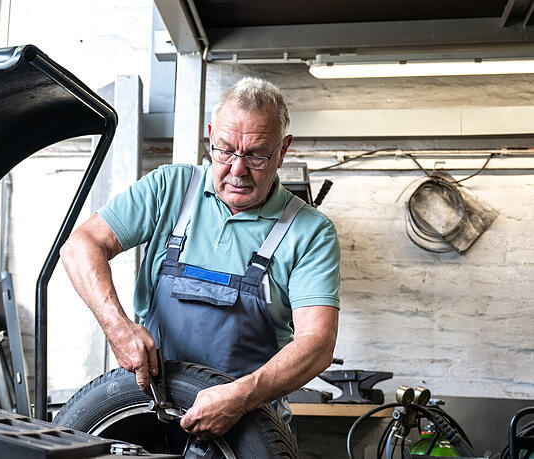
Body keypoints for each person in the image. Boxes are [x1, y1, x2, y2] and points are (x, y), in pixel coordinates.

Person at [60, 77, 340, 440]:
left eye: (256, 154)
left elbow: (317, 344)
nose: (237, 169)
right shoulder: (171, 189)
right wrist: (118, 327)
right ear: (210, 137)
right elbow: (80, 245)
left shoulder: (310, 231)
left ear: (283, 149)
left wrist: (240, 397)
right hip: (152, 413)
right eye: (225, 150)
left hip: (247, 426)